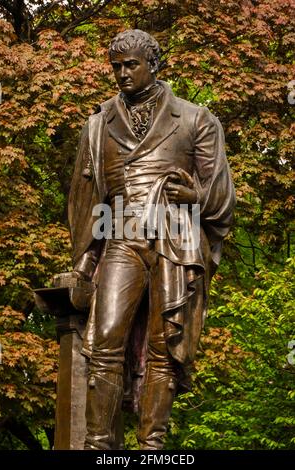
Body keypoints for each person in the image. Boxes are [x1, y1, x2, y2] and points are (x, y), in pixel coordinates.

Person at [68, 29, 235, 450]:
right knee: (104, 341)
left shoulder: (195, 118)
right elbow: (84, 194)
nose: (122, 74)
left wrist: (195, 196)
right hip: (120, 234)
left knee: (163, 348)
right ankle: (98, 446)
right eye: (116, 67)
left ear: (154, 65)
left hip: (174, 238)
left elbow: (220, 192)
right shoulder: (98, 123)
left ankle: (152, 448)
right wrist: (85, 255)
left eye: (131, 65)